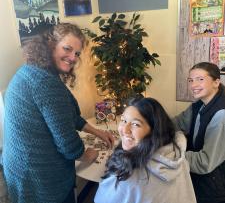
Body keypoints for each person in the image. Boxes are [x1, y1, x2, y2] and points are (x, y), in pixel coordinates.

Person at [2, 23, 114, 203]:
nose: (72, 58)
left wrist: (98, 132)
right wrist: (88, 155)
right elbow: (69, 146)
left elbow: (69, 116)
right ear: (50, 44)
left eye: (77, 53)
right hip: (38, 176)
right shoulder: (46, 84)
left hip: (18, 168)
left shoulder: (31, 71)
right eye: (67, 49)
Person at [95, 97, 196, 203]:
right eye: (123, 120)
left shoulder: (129, 178)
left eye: (135, 124)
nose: (124, 130)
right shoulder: (177, 156)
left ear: (154, 131)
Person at [173, 62, 225, 203]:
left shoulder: (221, 114)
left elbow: (205, 162)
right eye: (191, 80)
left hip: (213, 188)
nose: (193, 85)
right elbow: (176, 123)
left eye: (200, 79)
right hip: (197, 180)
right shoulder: (199, 104)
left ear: (216, 82)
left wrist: (170, 154)